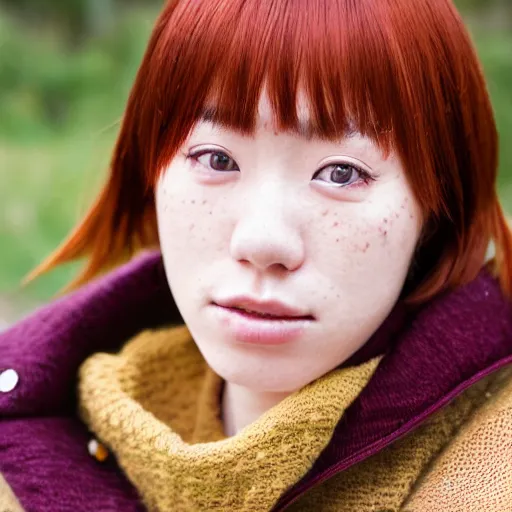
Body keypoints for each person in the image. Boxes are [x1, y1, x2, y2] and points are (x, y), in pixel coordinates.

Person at [1, 0, 512, 510]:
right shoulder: (26, 453)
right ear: (150, 175)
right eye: (216, 158)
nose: (262, 241)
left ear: (437, 205)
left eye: (341, 173)